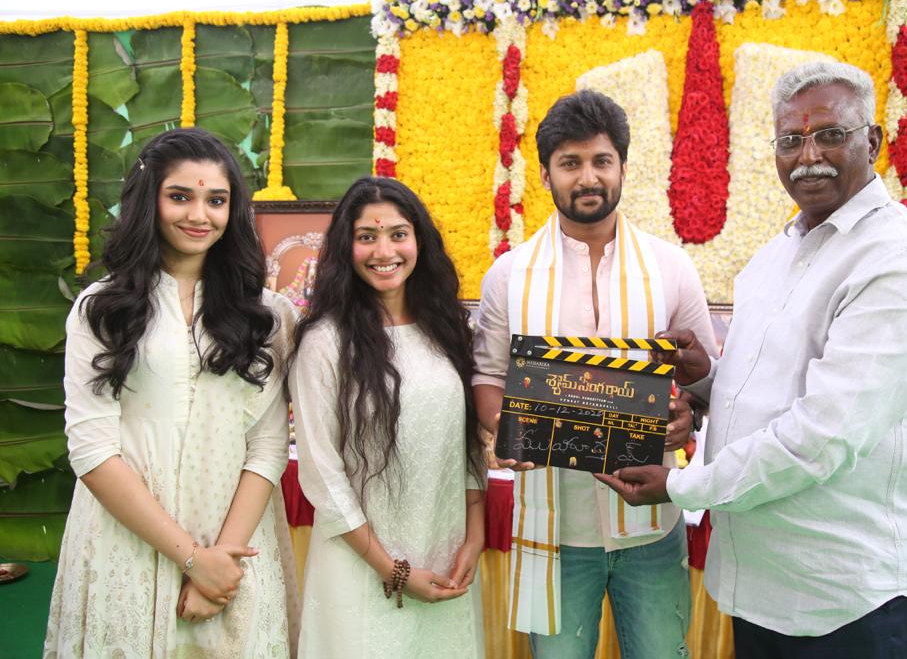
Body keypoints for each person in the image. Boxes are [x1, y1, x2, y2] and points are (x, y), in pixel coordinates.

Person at [596, 61, 907, 659]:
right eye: (790, 140)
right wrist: (705, 379)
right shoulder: (778, 253)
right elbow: (770, 390)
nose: (808, 156)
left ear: (873, 141)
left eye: (830, 134)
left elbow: (822, 436)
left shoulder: (896, 262)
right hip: (764, 587)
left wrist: (683, 485)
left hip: (846, 595)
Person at [473, 90, 716, 658]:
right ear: (545, 174)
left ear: (623, 167)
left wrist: (688, 417)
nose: (588, 177)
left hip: (652, 525)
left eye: (602, 161)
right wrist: (510, 429)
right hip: (553, 530)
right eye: (571, 163)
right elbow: (487, 376)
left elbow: (704, 379)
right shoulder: (510, 274)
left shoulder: (670, 267)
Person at [45, 128, 297, 657]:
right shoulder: (102, 310)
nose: (199, 215)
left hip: (235, 540)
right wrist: (192, 559)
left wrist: (220, 564)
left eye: (217, 200)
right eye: (180, 196)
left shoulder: (267, 314)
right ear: (148, 201)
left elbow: (268, 445)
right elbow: (91, 449)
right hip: (127, 538)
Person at [290, 177, 486, 658]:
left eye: (398, 234)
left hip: (446, 561)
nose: (385, 251)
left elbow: (464, 445)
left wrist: (475, 535)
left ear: (419, 241)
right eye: (367, 236)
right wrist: (392, 570)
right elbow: (322, 474)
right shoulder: (325, 342)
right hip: (362, 569)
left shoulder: (446, 330)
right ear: (346, 247)